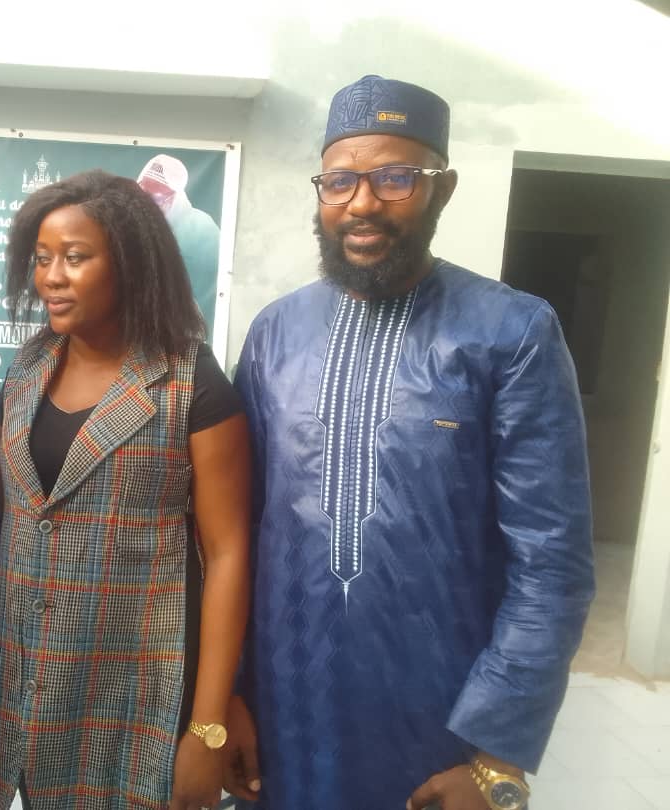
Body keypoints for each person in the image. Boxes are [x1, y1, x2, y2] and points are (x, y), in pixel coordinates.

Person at [227, 75, 595, 810]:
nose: (362, 202)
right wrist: (226, 699)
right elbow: (232, 530)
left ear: (442, 190)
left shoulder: (511, 332)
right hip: (283, 709)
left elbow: (551, 562)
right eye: (340, 181)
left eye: (396, 177)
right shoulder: (275, 333)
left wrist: (496, 754)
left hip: (441, 724)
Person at [0, 169, 251, 810]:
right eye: (42, 258)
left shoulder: (191, 384)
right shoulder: (25, 371)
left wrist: (208, 728)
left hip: (138, 698)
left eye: (75, 258)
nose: (51, 277)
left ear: (130, 263)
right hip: (26, 693)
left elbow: (229, 555)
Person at [137, 154, 222, 333]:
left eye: (154, 199)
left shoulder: (202, 229)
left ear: (173, 197)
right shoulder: (129, 224)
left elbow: (215, 290)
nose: (144, 205)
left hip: (179, 333)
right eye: (141, 194)